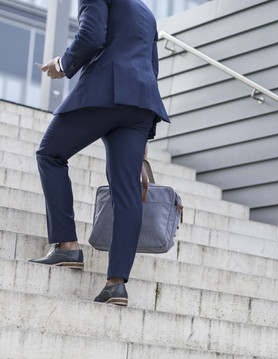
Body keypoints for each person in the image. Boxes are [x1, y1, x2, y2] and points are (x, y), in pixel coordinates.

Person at [29, 0, 169, 306]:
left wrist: (61, 65)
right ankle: (116, 284)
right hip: (141, 105)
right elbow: (152, 67)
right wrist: (144, 146)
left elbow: (92, 36)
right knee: (127, 191)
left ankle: (67, 245)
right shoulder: (145, 11)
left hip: (106, 92)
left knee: (50, 154)